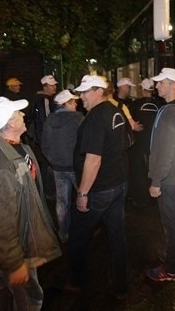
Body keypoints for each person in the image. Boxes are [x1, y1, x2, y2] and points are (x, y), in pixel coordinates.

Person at [0, 97, 61, 310]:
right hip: (17, 249)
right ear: (10, 123)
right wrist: (14, 264)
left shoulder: (19, 149)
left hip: (23, 239)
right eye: (18, 113)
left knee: (5, 292)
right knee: (31, 299)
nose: (23, 115)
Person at [67, 75, 129, 298]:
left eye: (85, 92)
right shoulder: (117, 111)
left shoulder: (95, 118)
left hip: (100, 189)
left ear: (98, 91)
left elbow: (93, 160)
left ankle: (75, 280)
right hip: (119, 184)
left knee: (77, 235)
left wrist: (82, 193)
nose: (81, 96)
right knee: (116, 235)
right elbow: (125, 143)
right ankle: (121, 285)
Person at [146, 68, 175, 282]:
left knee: (172, 223)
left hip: (169, 178)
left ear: (173, 84)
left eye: (161, 83)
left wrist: (156, 180)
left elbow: (165, 149)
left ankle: (171, 269)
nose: (157, 86)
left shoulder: (170, 112)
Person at [41, 89, 84, 244]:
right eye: (73, 102)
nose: (76, 104)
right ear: (66, 103)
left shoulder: (49, 119)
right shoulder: (79, 119)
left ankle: (64, 233)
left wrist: (53, 161)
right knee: (83, 198)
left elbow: (44, 144)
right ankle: (83, 230)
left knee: (62, 201)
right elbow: (85, 143)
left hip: (57, 167)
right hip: (75, 168)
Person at [127, 78, 161, 208]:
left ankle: (140, 199)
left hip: (138, 143)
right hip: (154, 143)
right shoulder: (159, 105)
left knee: (137, 171)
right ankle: (154, 197)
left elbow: (130, 123)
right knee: (152, 170)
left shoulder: (135, 105)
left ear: (142, 89)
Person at [29, 74, 58, 200]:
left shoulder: (37, 99)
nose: (55, 87)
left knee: (46, 164)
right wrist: (49, 139)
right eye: (52, 86)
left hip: (41, 138)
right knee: (48, 165)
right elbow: (46, 121)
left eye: (55, 85)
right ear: (45, 87)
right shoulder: (45, 100)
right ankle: (49, 192)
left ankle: (47, 191)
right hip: (46, 138)